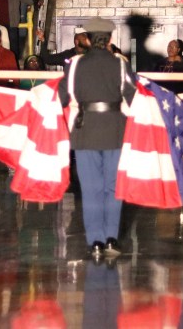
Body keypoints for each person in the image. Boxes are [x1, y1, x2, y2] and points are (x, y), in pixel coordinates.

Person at [58, 17, 135, 259]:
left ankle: (96, 242)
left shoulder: (75, 66)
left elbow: (60, 98)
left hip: (86, 132)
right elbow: (133, 99)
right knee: (113, 188)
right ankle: (112, 238)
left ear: (89, 39)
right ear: (110, 39)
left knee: (91, 190)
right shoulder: (121, 65)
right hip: (114, 131)